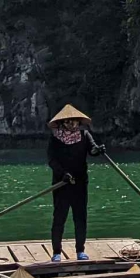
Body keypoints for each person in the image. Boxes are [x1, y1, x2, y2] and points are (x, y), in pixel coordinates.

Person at [47, 104, 100, 262]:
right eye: (69, 122)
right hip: (61, 183)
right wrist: (62, 174)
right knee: (59, 218)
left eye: (75, 122)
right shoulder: (55, 138)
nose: (72, 125)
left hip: (80, 183)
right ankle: (57, 252)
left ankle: (80, 251)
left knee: (80, 218)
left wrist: (98, 150)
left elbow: (92, 150)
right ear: (62, 123)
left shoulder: (84, 135)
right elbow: (51, 160)